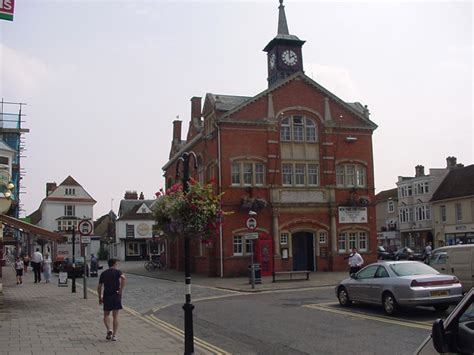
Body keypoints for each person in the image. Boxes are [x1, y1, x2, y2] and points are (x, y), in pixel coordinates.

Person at [97, 259, 126, 342]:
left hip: (107, 295)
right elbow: (123, 278)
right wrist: (120, 290)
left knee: (106, 315)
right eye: (116, 263)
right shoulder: (118, 272)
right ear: (115, 264)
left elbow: (99, 287)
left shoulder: (104, 273)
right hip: (116, 295)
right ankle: (114, 335)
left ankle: (109, 329)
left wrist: (100, 297)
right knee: (115, 316)